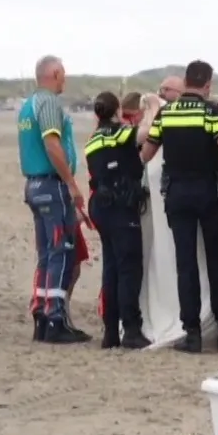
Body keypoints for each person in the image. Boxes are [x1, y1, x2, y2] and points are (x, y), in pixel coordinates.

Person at [140, 59, 218, 353]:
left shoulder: (167, 113)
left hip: (176, 193)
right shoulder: (209, 113)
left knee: (185, 264)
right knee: (217, 261)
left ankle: (192, 334)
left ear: (186, 81)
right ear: (208, 84)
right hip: (207, 192)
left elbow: (147, 154)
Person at [18, 56, 90, 344]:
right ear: (56, 73)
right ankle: (55, 318)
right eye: (64, 74)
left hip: (34, 185)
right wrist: (72, 184)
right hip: (52, 185)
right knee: (62, 250)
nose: (66, 79)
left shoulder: (27, 106)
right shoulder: (48, 103)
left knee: (47, 253)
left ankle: (41, 314)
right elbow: (51, 143)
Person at [84, 90, 152, 350]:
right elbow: (145, 133)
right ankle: (131, 330)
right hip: (121, 205)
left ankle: (111, 331)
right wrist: (154, 107)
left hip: (100, 206)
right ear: (117, 112)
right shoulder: (119, 132)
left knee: (111, 268)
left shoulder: (92, 140)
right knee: (129, 268)